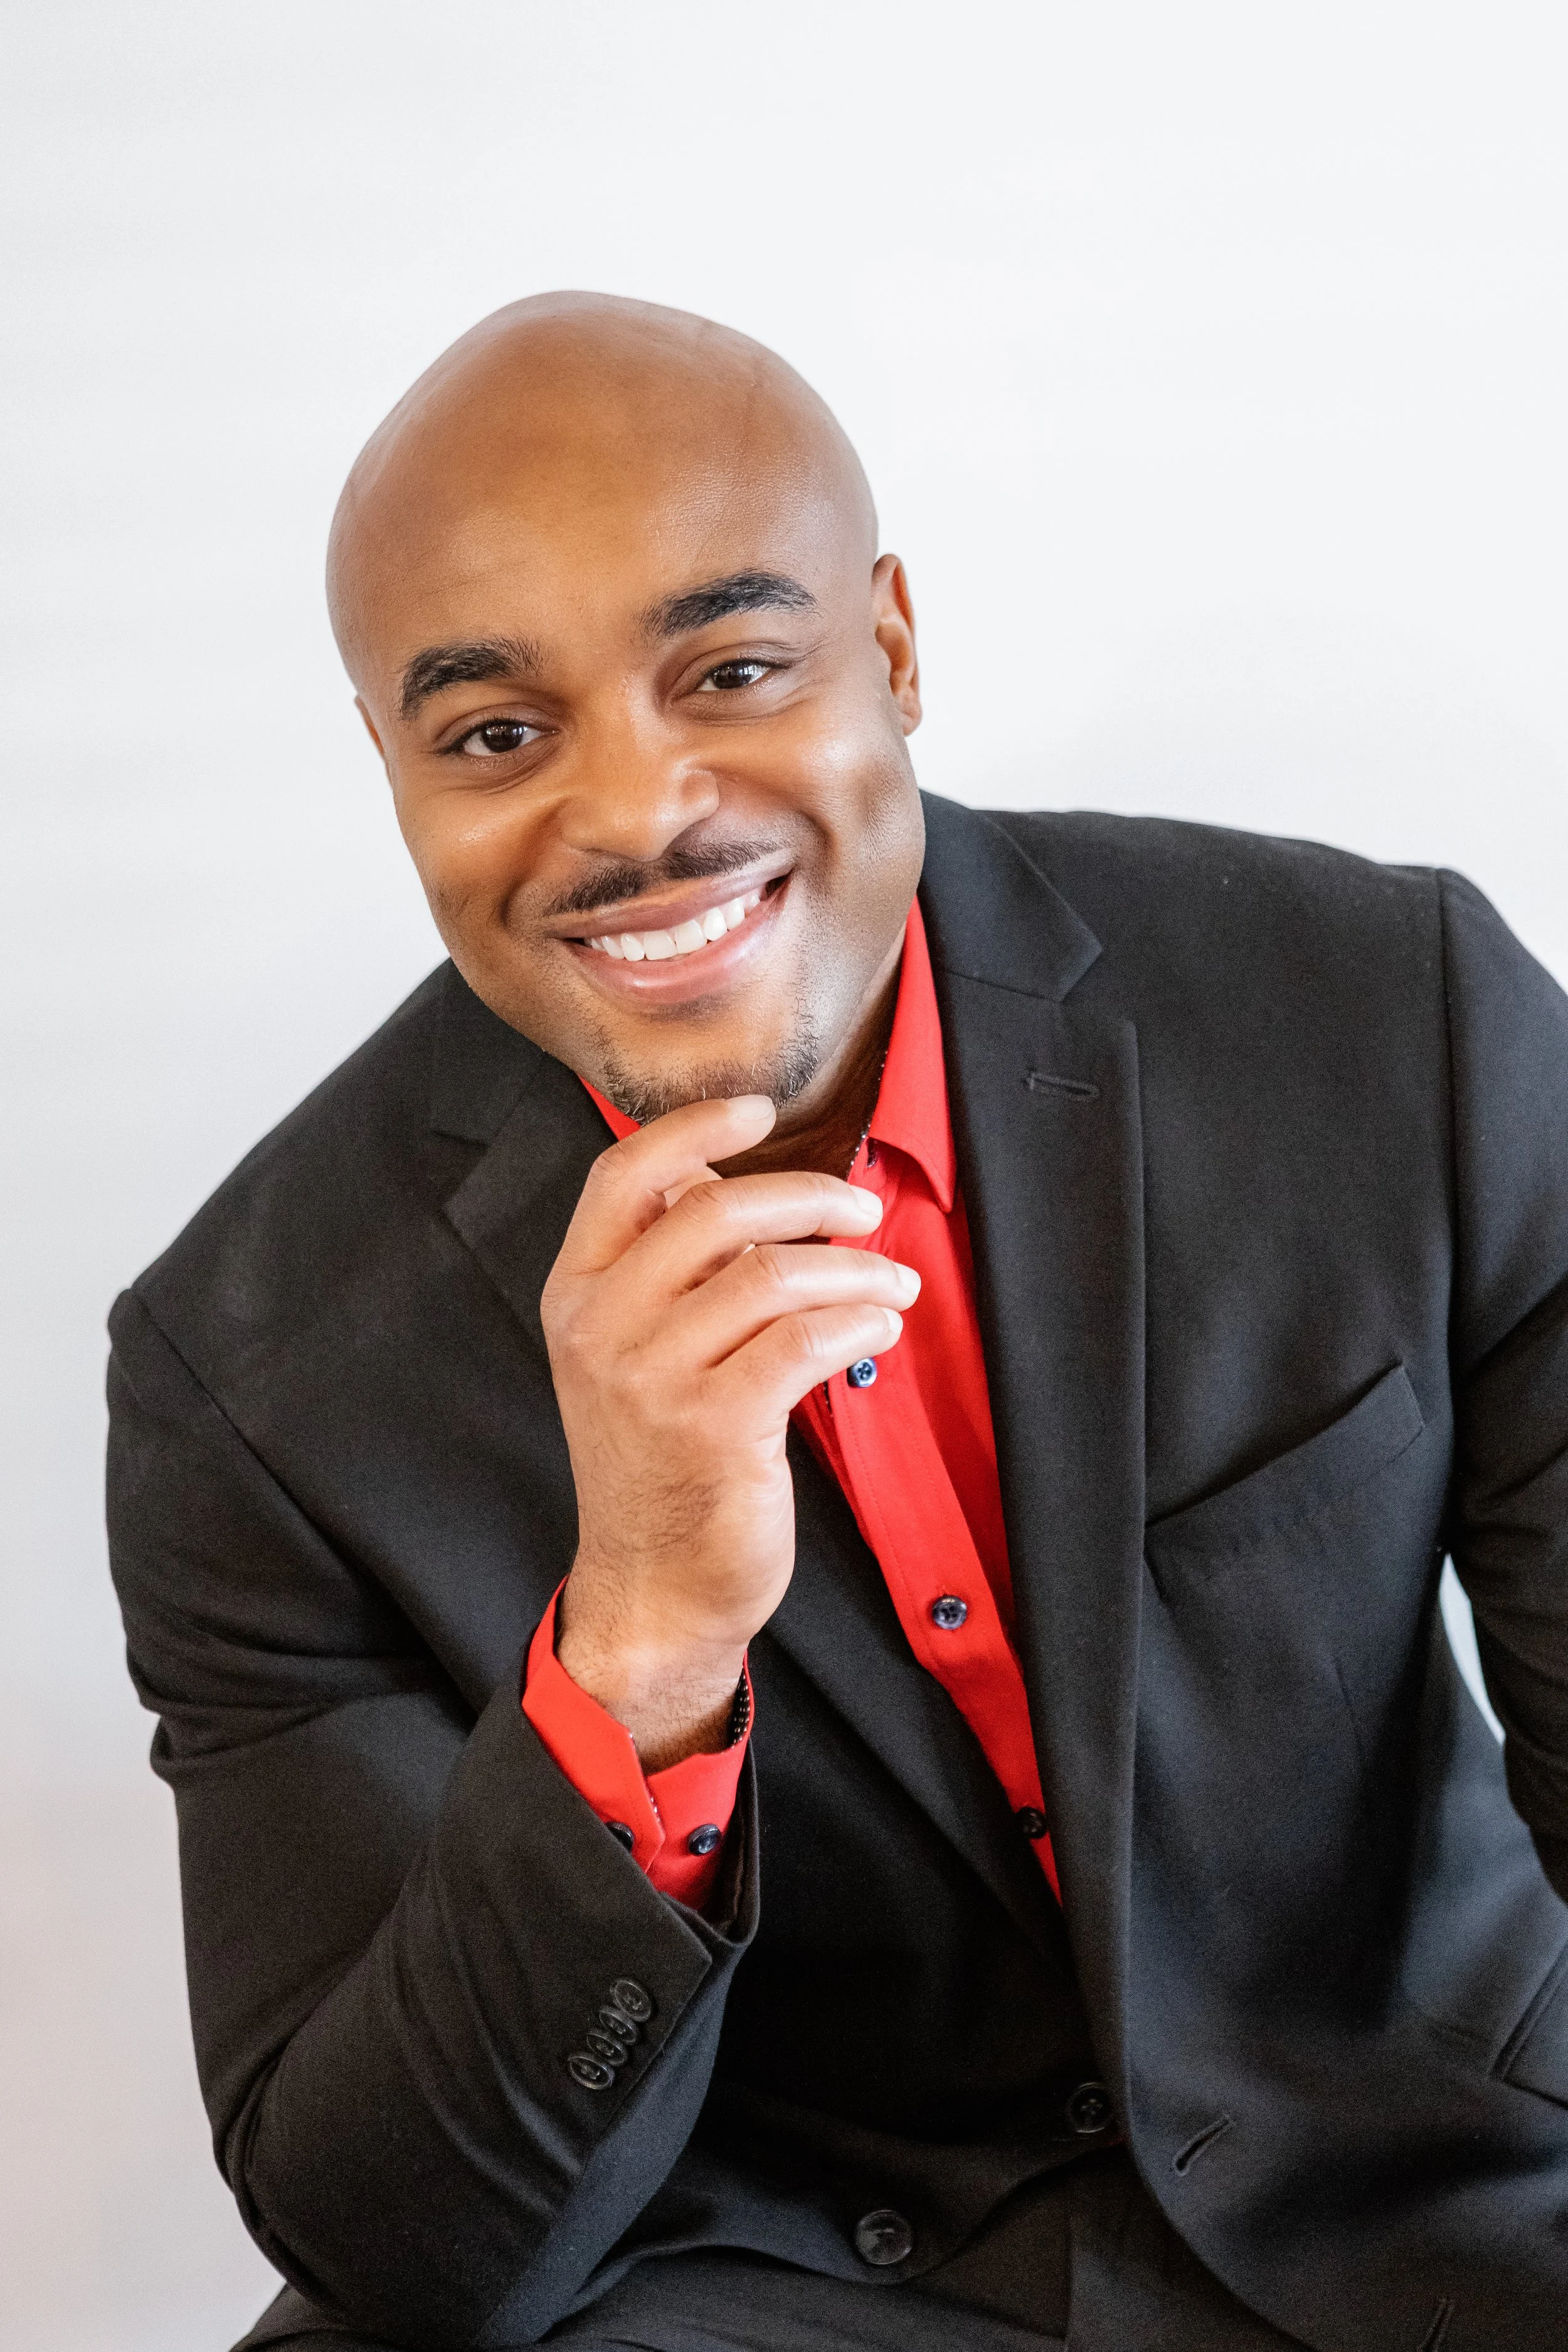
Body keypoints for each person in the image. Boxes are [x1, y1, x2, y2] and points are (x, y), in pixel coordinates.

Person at [106, 292, 1568, 2352]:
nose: (628, 817)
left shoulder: (1387, 1020)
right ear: (395, 767)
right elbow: (395, 2236)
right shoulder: (245, 1377)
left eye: (730, 666)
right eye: (497, 734)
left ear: (886, 645)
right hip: (797, 2280)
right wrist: (636, 1657)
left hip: (1429, 2189)